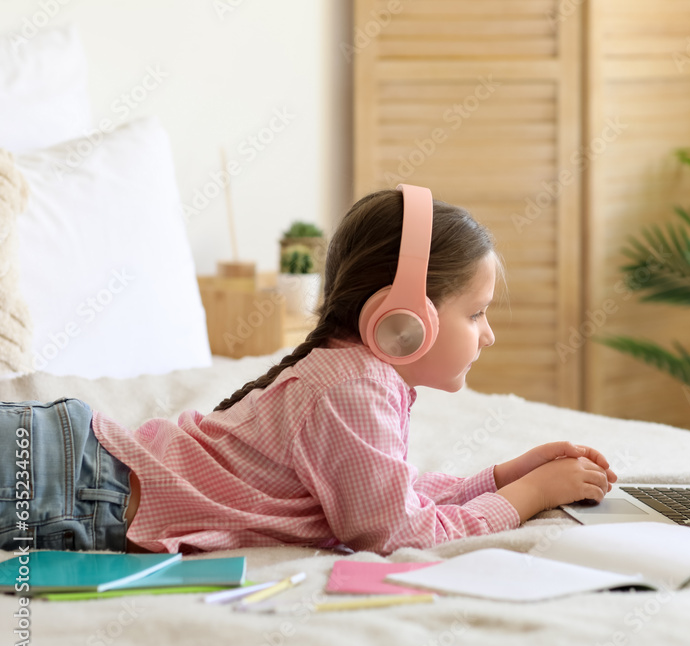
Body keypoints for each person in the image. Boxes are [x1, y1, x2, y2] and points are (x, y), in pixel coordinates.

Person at [0, 186, 616, 556]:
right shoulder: (354, 387)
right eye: (476, 313)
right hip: (70, 483)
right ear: (405, 317)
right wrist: (529, 497)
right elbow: (398, 535)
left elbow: (384, 494)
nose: (488, 333)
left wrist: (500, 477)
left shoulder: (358, 376)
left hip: (72, 472)